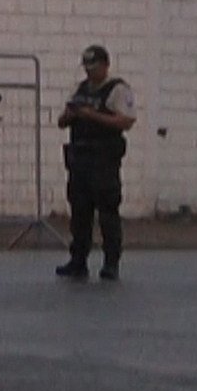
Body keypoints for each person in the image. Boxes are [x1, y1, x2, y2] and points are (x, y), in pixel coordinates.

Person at [56, 44, 136, 281]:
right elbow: (62, 121)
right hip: (80, 160)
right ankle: (78, 260)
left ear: (105, 65)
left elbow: (126, 121)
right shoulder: (79, 89)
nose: (90, 73)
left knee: (108, 212)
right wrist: (70, 116)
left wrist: (94, 116)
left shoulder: (118, 90)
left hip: (104, 160)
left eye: (94, 67)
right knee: (80, 212)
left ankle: (111, 263)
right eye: (87, 68)